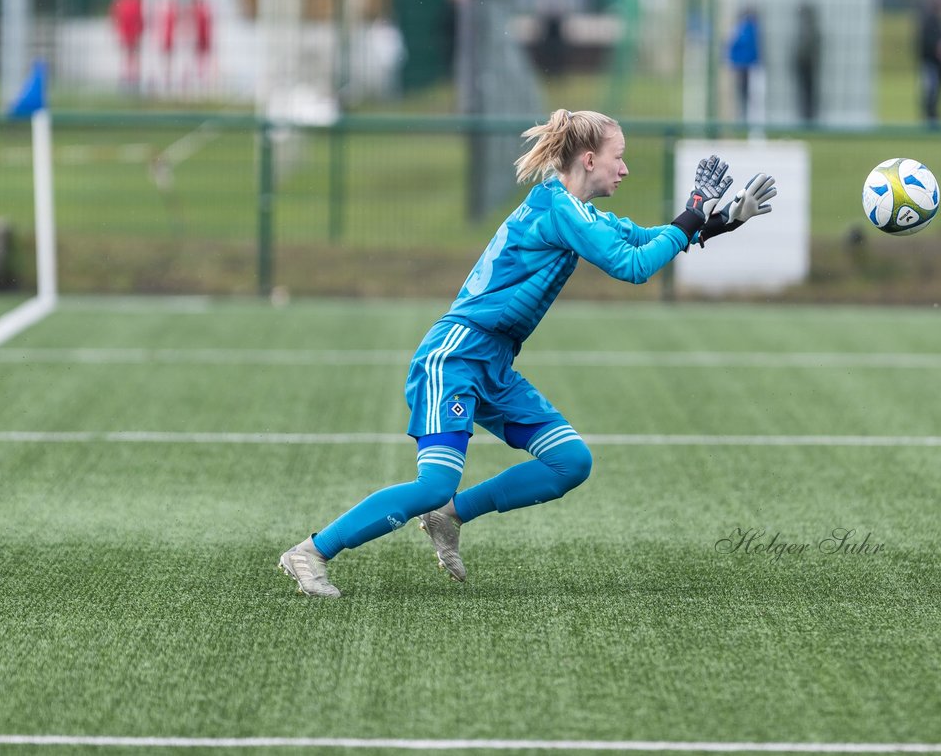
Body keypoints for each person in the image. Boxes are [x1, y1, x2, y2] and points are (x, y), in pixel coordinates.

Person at [278, 109, 778, 598]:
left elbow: (649, 240)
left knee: (569, 462)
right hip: (456, 355)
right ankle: (313, 551)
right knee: (433, 483)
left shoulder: (575, 211)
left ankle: (449, 516)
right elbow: (635, 267)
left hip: (493, 361)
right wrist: (694, 207)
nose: (624, 169)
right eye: (617, 158)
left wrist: (721, 221)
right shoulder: (561, 211)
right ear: (587, 159)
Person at [917, 0, 941, 127]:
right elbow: (926, 42)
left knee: (935, 91)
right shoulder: (929, 22)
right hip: (930, 62)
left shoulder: (939, 21)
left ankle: (933, 115)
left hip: (936, 64)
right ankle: (929, 116)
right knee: (930, 91)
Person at [727, 7, 765, 128]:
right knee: (750, 96)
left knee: (747, 95)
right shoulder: (748, 29)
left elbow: (733, 46)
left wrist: (733, 61)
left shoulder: (741, 29)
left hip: (745, 66)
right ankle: (746, 119)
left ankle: (746, 119)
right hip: (748, 67)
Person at [109, 0, 144, 94]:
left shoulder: (122, 1)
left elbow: (115, 17)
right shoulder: (135, 0)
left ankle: (129, 78)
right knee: (131, 56)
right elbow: (140, 17)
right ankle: (131, 78)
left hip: (128, 33)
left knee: (128, 56)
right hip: (131, 33)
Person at [792, 1, 821, 125]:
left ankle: (808, 117)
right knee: (808, 93)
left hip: (806, 65)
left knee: (807, 93)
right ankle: (807, 116)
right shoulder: (810, 26)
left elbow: (805, 49)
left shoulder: (807, 28)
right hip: (808, 65)